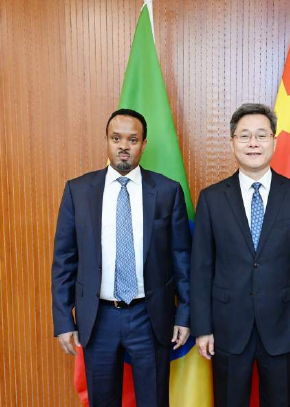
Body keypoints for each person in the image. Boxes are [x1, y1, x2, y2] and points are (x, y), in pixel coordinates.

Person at [51, 108, 191, 407]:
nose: (124, 146)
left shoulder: (167, 191)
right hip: (98, 317)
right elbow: (64, 260)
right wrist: (63, 320)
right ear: (106, 140)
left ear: (144, 144)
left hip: (149, 317)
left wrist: (185, 314)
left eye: (132, 139)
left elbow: (182, 258)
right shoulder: (78, 191)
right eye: (116, 138)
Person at [190, 103, 290, 407]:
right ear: (232, 142)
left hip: (282, 325)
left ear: (274, 141)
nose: (253, 143)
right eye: (244, 135)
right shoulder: (211, 199)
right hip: (227, 327)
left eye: (261, 135)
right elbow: (201, 269)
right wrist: (203, 328)